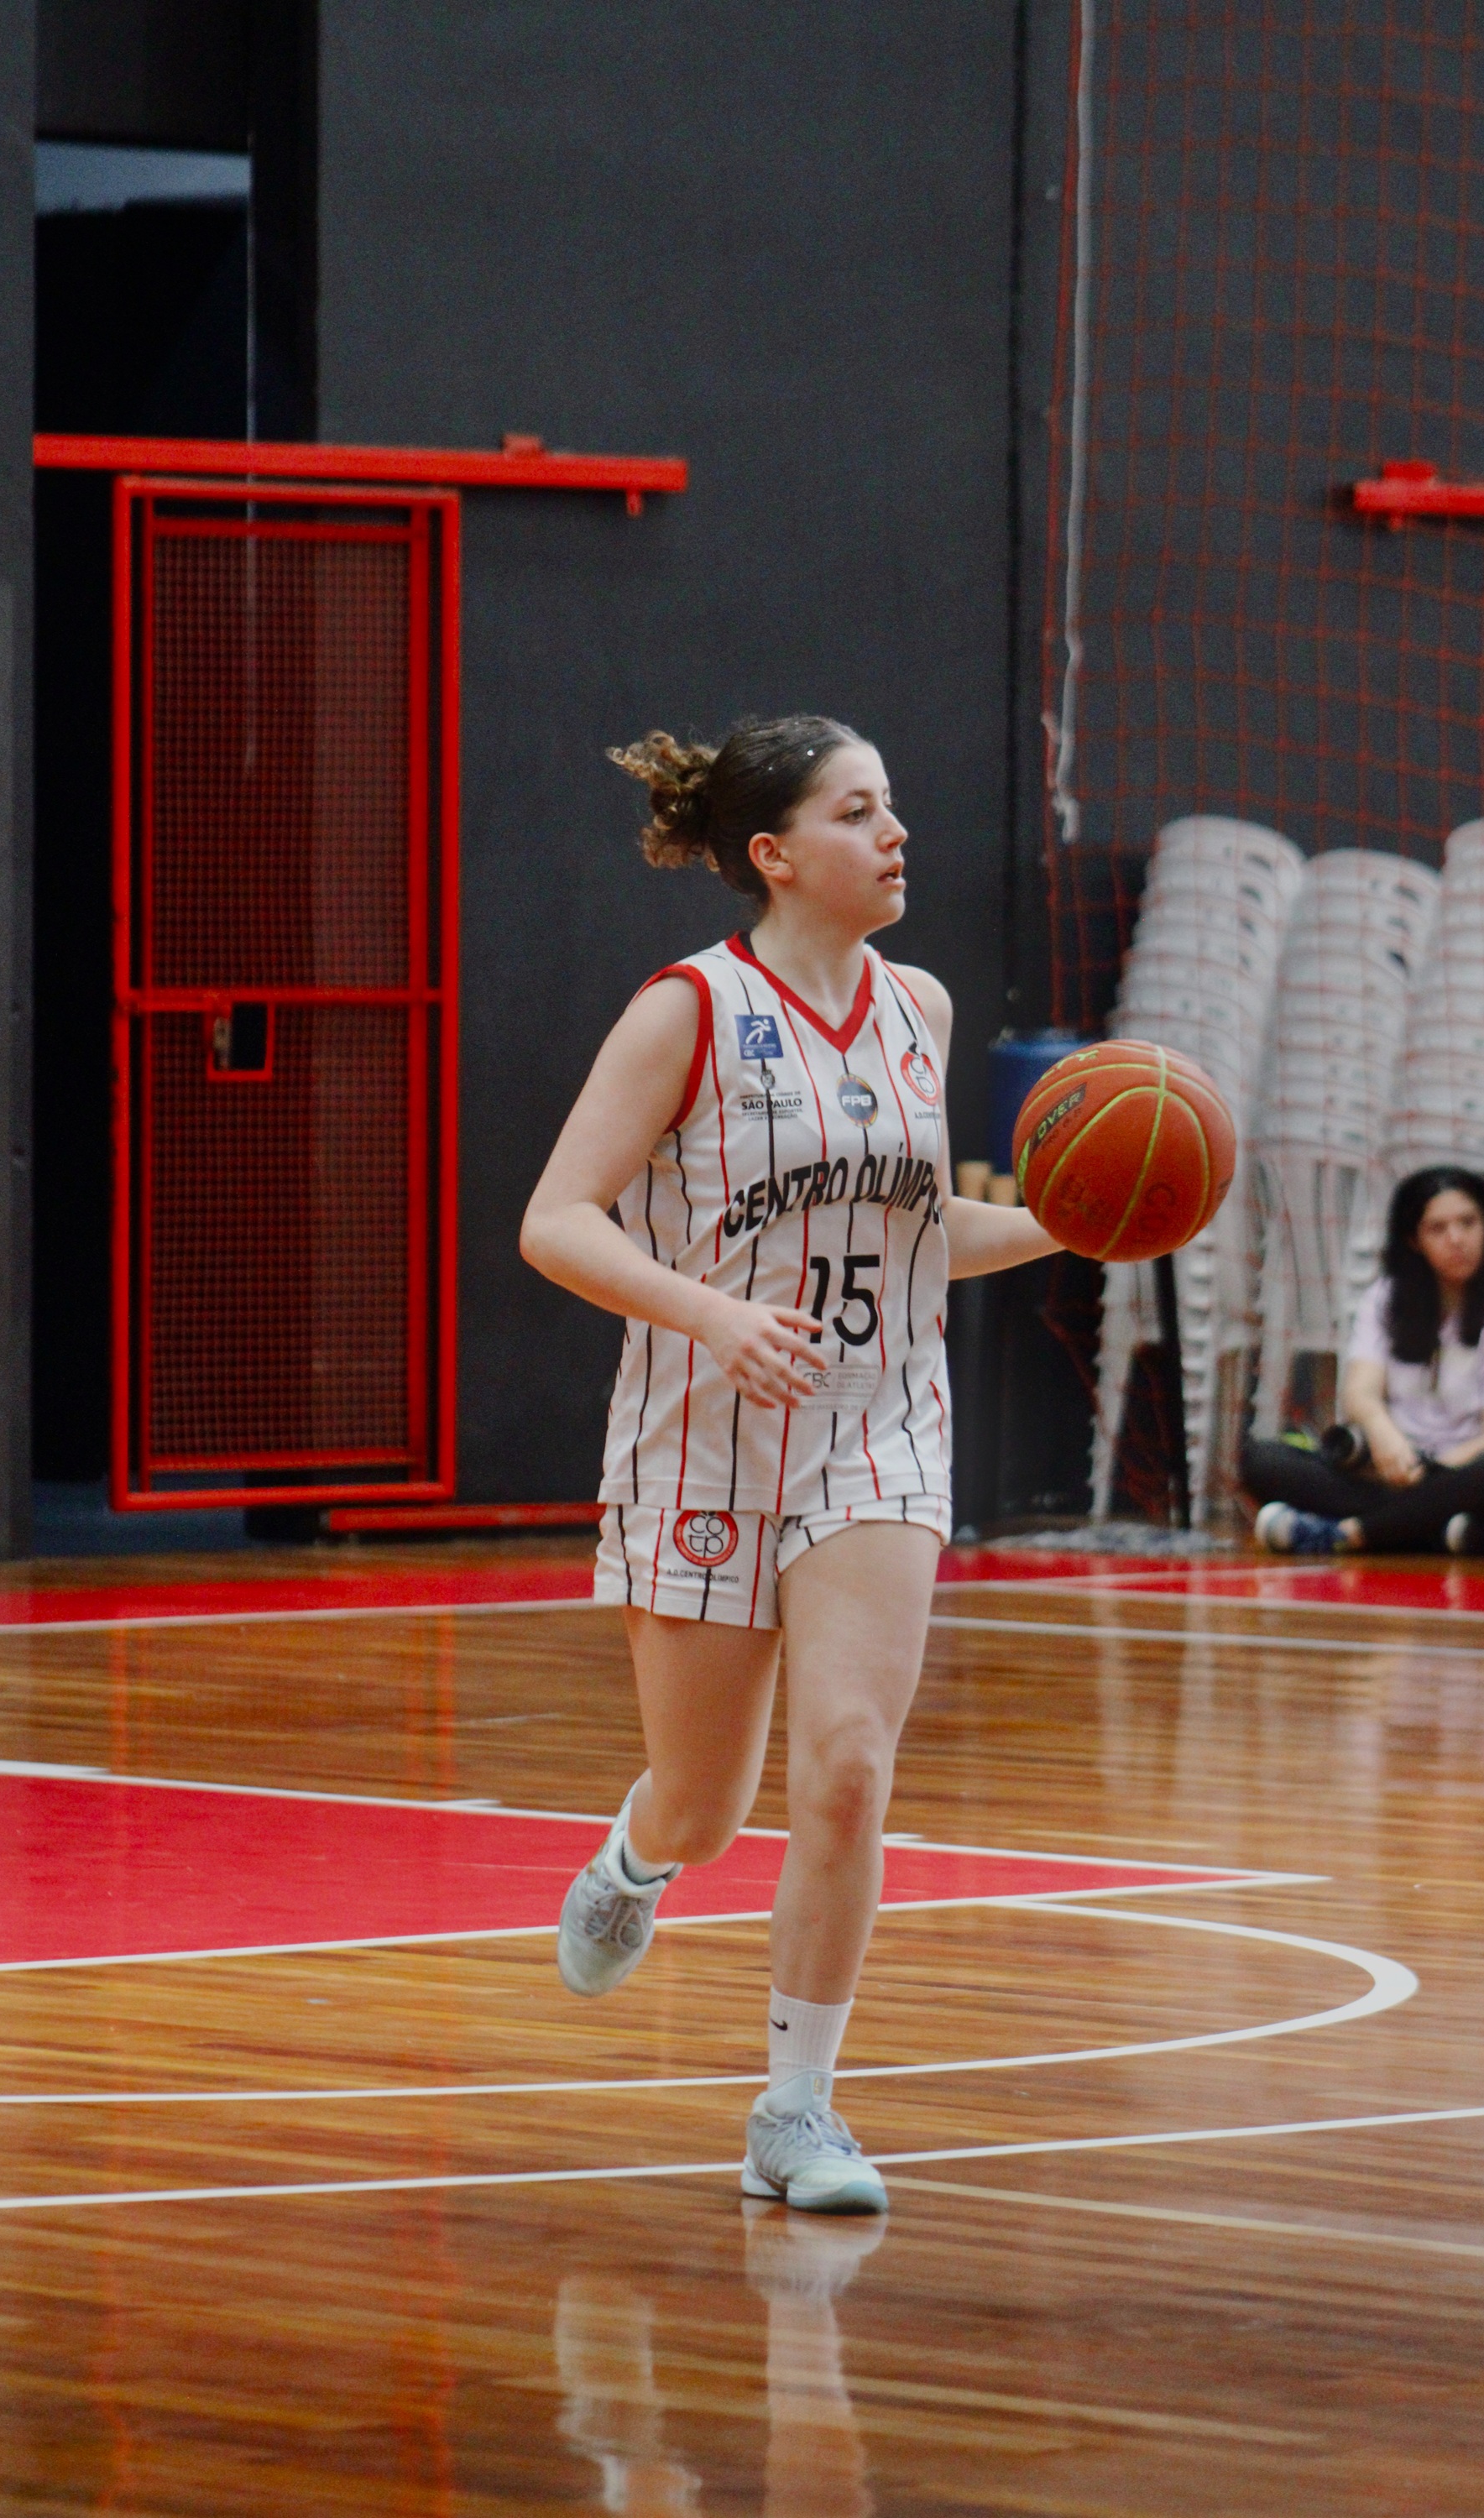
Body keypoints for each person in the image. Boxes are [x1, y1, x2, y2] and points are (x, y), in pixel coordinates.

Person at [520, 714, 1058, 2214]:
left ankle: (796, 2111)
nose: (896, 836)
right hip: (704, 1426)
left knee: (847, 1770)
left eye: (894, 808)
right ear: (774, 854)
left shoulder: (921, 1010)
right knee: (710, 1806)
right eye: (860, 812)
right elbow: (556, 1220)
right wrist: (714, 1315)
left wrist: (1078, 1220)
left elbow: (923, 1231)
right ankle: (638, 1860)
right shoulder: (685, 1012)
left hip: (879, 1426)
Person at [1243, 1166, 1484, 1556]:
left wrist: (1427, 1474)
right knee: (1263, 1460)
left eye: (1468, 1223)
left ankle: (1343, 1534)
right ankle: (1434, 1533)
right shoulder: (1386, 1298)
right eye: (1437, 1229)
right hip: (1386, 1469)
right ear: (1414, 1240)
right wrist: (1386, 1440)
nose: (1457, 1239)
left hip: (1457, 1474)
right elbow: (1361, 1393)